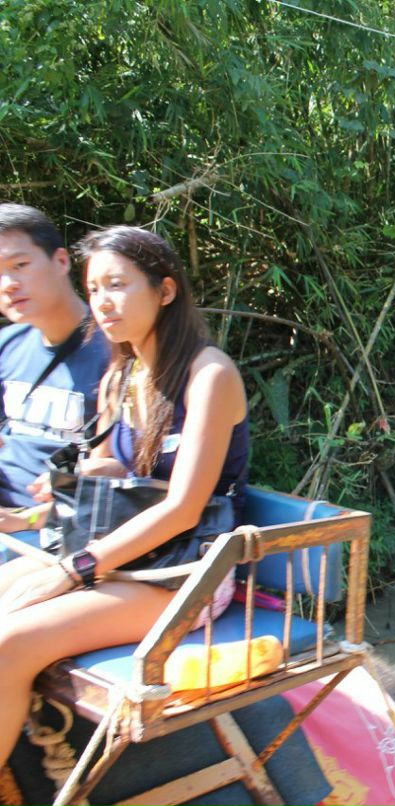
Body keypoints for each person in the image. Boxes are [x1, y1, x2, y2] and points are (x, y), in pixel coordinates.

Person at [0, 226, 250, 763]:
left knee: (10, 644)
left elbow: (183, 506)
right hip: (128, 554)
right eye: (94, 290)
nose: (103, 303)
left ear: (165, 290)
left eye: (118, 285)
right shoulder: (125, 371)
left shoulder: (210, 375)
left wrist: (74, 569)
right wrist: (73, 484)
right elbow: (126, 465)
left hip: (187, 572)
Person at [0, 204, 110, 547]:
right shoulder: (7, 345)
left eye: (20, 265)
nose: (8, 284)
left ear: (61, 261)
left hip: (62, 531)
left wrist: (24, 520)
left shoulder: (118, 353)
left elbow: (127, 473)